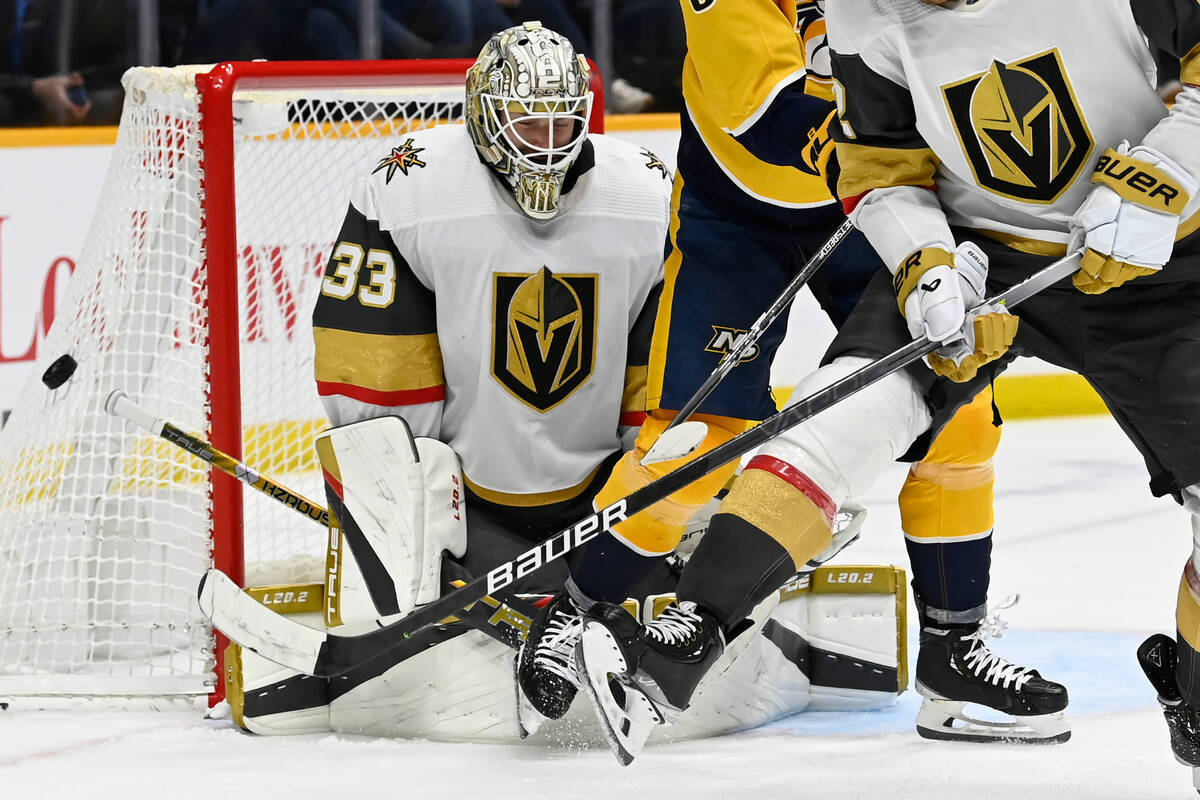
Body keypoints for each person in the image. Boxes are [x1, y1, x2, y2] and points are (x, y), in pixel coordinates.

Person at [570, 0, 1200, 774]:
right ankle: (683, 637)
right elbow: (881, 163)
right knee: (836, 418)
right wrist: (925, 262)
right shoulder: (861, 10)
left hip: (1169, 259)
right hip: (983, 254)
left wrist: (1166, 176)